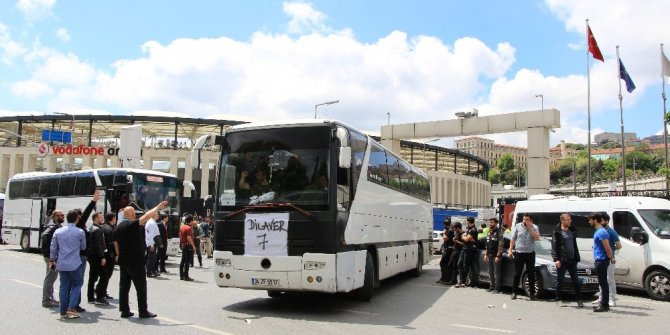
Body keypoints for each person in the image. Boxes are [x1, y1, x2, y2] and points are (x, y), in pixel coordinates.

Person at [113, 202, 167, 319]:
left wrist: (118, 255)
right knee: (141, 286)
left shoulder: (118, 226)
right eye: (135, 213)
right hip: (135, 261)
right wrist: (157, 207)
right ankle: (143, 311)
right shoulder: (131, 224)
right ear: (132, 214)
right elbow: (147, 216)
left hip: (124, 260)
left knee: (124, 287)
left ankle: (124, 310)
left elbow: (116, 243)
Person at [49, 209, 87, 319]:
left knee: (63, 286)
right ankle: (72, 307)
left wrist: (52, 260)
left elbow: (53, 248)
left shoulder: (58, 231)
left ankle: (62, 311)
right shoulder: (80, 232)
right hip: (75, 262)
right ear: (76, 219)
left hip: (62, 263)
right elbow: (83, 247)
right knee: (77, 284)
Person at [551, 213, 583, 307]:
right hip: (562, 260)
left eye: (570, 219)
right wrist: (556, 259)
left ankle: (579, 299)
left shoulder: (572, 230)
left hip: (572, 259)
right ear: (562, 221)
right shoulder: (557, 231)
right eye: (568, 220)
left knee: (576, 280)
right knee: (560, 280)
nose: (570, 221)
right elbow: (554, 246)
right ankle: (558, 298)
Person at [508, 213, 541, 300]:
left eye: (527, 219)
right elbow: (513, 238)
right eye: (524, 219)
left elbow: (537, 238)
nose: (525, 221)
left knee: (531, 273)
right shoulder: (518, 226)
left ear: (530, 220)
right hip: (519, 253)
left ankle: (532, 294)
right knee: (517, 273)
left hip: (530, 253)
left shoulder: (535, 227)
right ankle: (514, 292)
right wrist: (510, 250)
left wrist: (530, 228)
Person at [595, 212, 622, 307]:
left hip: (609, 258)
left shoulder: (611, 232)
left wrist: (611, 250)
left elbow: (619, 245)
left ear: (606, 221)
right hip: (601, 258)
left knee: (609, 279)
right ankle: (601, 297)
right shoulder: (599, 230)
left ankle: (612, 299)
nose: (600, 222)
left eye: (602, 220)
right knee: (601, 278)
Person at [589, 212, 614, 312]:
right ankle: (603, 303)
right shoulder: (598, 231)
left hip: (602, 260)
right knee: (602, 283)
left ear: (595, 220)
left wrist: (609, 258)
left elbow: (607, 248)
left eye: (590, 220)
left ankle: (604, 305)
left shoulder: (601, 232)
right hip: (599, 259)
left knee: (603, 283)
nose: (589, 222)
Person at [41, 210, 64, 308]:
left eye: (63, 215)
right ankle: (46, 300)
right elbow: (45, 236)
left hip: (52, 257)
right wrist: (50, 254)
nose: (63, 217)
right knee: (51, 277)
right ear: (55, 217)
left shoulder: (56, 226)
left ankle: (50, 298)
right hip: (51, 258)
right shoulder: (52, 227)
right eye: (61, 215)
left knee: (52, 277)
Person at [87, 212, 109, 305]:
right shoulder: (97, 230)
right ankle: (100, 296)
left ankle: (91, 297)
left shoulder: (91, 228)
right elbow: (98, 245)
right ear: (96, 218)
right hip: (97, 256)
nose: (102, 219)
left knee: (92, 277)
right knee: (104, 276)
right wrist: (102, 257)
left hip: (91, 256)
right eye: (101, 217)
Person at [456, 217, 479, 288]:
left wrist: (465, 237)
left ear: (469, 222)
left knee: (465, 265)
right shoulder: (468, 229)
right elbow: (465, 236)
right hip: (464, 248)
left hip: (469, 249)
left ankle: (463, 282)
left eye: (467, 222)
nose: (466, 223)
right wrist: (466, 237)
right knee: (459, 264)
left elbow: (465, 239)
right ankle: (461, 280)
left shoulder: (473, 230)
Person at [484, 218, 504, 293]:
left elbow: (500, 245)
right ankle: (491, 286)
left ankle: (497, 288)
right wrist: (485, 254)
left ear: (495, 223)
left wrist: (498, 256)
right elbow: (487, 244)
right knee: (490, 272)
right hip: (489, 255)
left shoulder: (499, 232)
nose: (490, 224)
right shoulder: (489, 231)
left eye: (491, 222)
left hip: (496, 256)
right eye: (489, 222)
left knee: (497, 273)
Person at [100, 212, 117, 300]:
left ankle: (101, 290)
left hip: (103, 254)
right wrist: (115, 254)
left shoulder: (103, 226)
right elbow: (111, 244)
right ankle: (102, 292)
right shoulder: (109, 229)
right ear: (113, 218)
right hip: (108, 255)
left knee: (104, 275)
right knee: (107, 275)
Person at [179, 215, 197, 281]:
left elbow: (180, 237)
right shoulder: (189, 228)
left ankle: (181, 275)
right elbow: (189, 238)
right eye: (192, 220)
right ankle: (186, 276)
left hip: (184, 245)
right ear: (191, 221)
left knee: (182, 261)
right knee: (187, 262)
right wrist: (193, 246)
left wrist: (181, 244)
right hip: (188, 246)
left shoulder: (182, 227)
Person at [436, 218, 453, 284]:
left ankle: (445, 278)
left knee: (443, 263)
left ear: (444, 224)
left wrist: (443, 233)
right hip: (448, 249)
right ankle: (444, 278)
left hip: (449, 249)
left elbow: (445, 238)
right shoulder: (450, 229)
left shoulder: (449, 230)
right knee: (445, 264)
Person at [145, 211, 160, 277]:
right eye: (157, 214)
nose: (158, 216)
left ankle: (153, 271)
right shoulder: (151, 223)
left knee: (153, 258)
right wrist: (151, 245)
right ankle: (149, 272)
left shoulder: (152, 222)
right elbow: (151, 235)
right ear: (153, 215)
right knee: (151, 258)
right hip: (152, 243)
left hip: (152, 242)